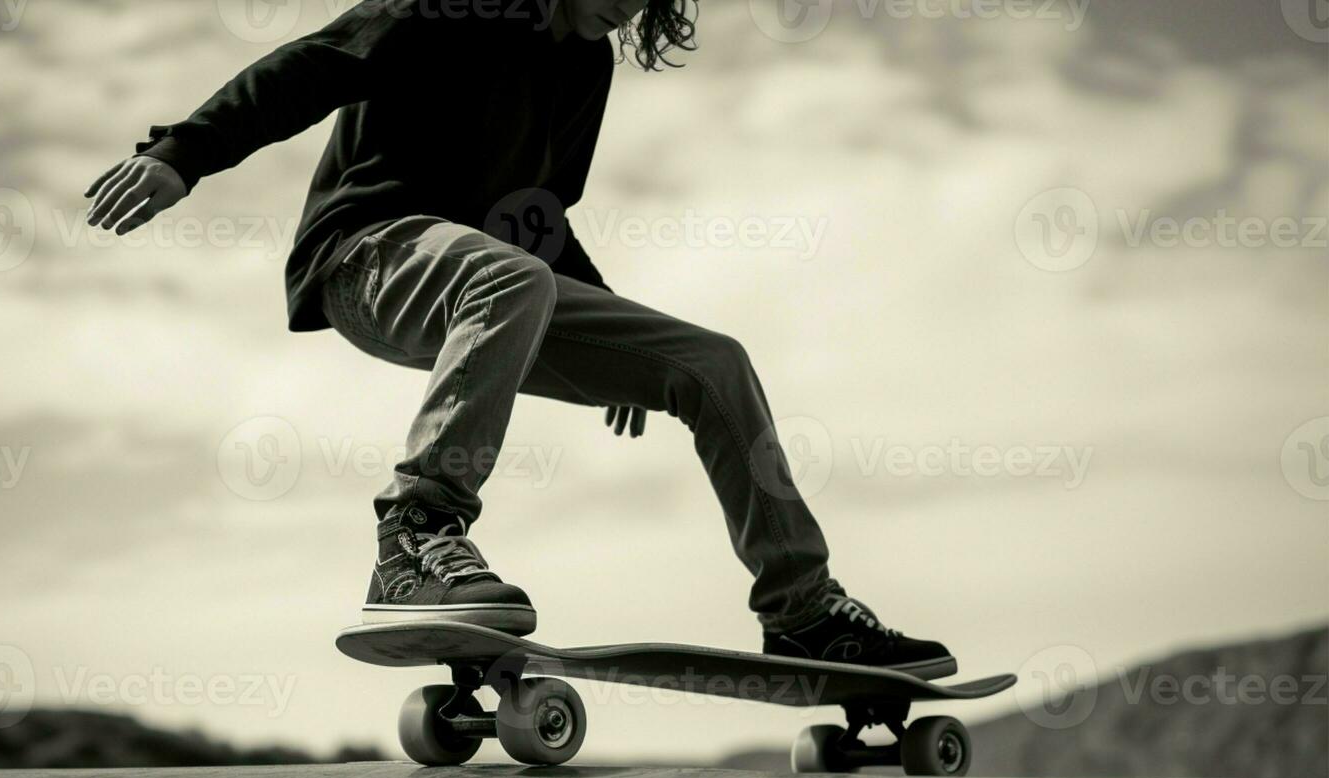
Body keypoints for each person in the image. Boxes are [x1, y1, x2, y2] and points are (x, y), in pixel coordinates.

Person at [84, 0, 956, 677]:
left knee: (709, 363)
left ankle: (802, 612)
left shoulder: (583, 64)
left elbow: (538, 213)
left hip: (500, 280)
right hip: (365, 257)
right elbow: (312, 66)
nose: (628, 11)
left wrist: (616, 336)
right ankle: (415, 538)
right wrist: (181, 155)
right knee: (511, 275)